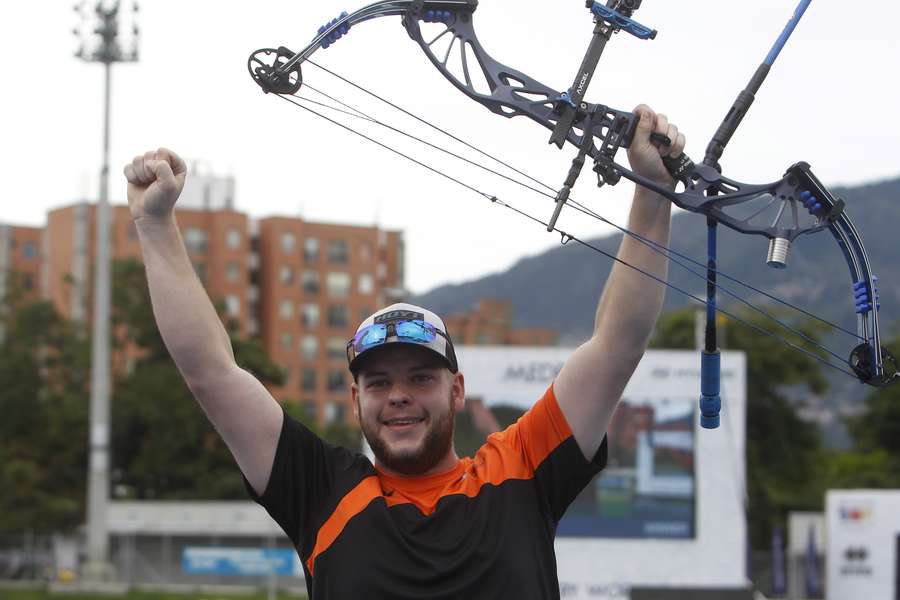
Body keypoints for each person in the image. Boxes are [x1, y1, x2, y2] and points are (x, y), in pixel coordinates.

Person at [123, 104, 684, 599]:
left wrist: (651, 193)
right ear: (355, 397)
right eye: (379, 383)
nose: (398, 397)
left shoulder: (520, 468)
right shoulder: (320, 489)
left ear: (456, 390)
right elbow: (210, 374)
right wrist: (154, 224)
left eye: (420, 377)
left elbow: (618, 344)